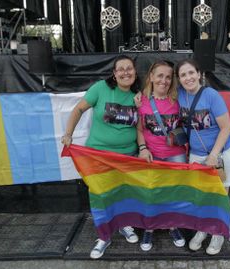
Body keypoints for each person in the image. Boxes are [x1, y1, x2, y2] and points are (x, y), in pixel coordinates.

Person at [61, 55, 140, 259]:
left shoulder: (139, 95)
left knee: (124, 193)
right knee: (100, 196)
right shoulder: (100, 89)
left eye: (129, 68)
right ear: (114, 73)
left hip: (128, 157)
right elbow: (78, 109)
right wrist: (68, 134)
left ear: (135, 72)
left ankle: (124, 226)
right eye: (120, 69)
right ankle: (104, 236)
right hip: (99, 156)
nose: (125, 72)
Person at [175, 59, 230, 255]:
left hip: (220, 154)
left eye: (191, 73)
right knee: (202, 197)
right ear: (179, 79)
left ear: (199, 74)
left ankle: (219, 233)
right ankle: (203, 229)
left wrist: (214, 154)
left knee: (221, 196)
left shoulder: (211, 95)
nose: (188, 78)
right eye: (183, 75)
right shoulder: (179, 95)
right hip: (196, 156)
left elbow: (226, 127)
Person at [136, 60, 187, 251]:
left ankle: (172, 225)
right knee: (151, 192)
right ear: (151, 77)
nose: (164, 81)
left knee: (173, 192)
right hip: (152, 155)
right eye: (159, 76)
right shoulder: (141, 101)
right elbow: (139, 129)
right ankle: (149, 228)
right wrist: (142, 148)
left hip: (176, 155)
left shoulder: (179, 98)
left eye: (168, 77)